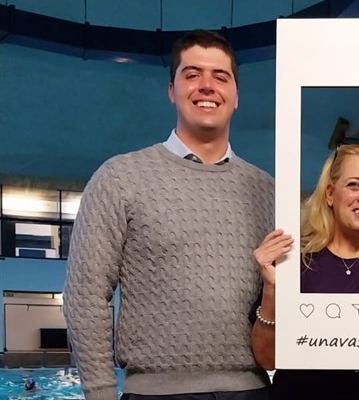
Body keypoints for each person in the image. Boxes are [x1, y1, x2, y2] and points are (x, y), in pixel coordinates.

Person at [63, 30, 273, 400]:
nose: (206, 86)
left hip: (252, 390)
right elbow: (86, 294)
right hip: (155, 393)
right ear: (172, 91)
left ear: (236, 96)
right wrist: (100, 393)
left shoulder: (266, 189)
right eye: (192, 74)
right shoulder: (120, 178)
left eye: (220, 77)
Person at [250, 140, 359, 400]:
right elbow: (267, 359)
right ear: (330, 194)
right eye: (353, 184)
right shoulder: (293, 257)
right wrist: (271, 288)